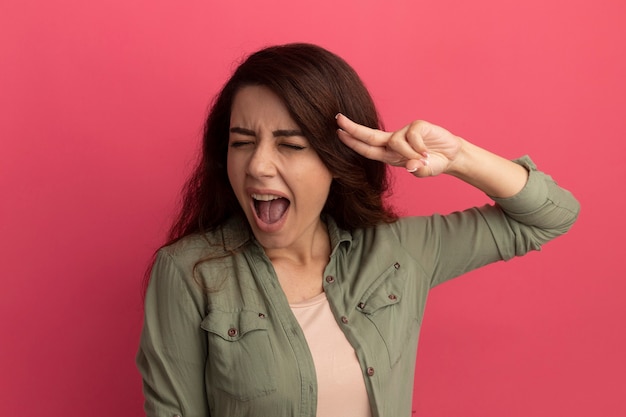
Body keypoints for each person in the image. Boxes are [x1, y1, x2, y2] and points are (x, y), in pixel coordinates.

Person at [136, 43, 580, 417]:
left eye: (290, 145)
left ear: (337, 160)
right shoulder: (189, 272)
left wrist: (458, 155)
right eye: (241, 143)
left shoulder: (399, 253)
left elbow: (552, 216)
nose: (257, 165)